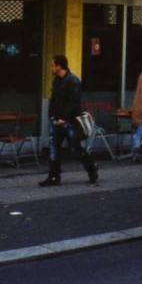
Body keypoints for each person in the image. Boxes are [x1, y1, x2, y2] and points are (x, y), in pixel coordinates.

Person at [39, 54, 98, 187]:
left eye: (53, 65)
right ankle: (54, 176)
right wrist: (52, 115)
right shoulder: (57, 80)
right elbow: (54, 100)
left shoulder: (73, 81)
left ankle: (91, 168)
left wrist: (64, 118)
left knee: (75, 147)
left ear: (59, 66)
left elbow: (75, 103)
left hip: (70, 121)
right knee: (54, 147)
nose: (51, 68)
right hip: (57, 120)